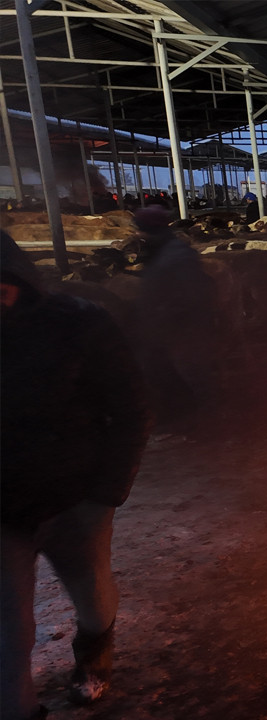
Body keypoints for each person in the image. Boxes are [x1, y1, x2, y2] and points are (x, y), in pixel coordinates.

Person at [2, 234, 151, 718]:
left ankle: (94, 653)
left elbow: (130, 408)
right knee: (9, 624)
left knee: (92, 594)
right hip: (3, 509)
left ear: (18, 278)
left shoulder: (77, 323)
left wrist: (108, 490)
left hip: (74, 495)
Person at [132, 205, 217, 432]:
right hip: (164, 326)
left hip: (182, 327)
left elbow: (194, 292)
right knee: (164, 372)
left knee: (191, 373)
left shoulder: (176, 254)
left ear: (147, 229)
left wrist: (170, 314)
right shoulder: (160, 250)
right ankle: (181, 420)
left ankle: (208, 423)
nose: (137, 234)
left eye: (139, 229)